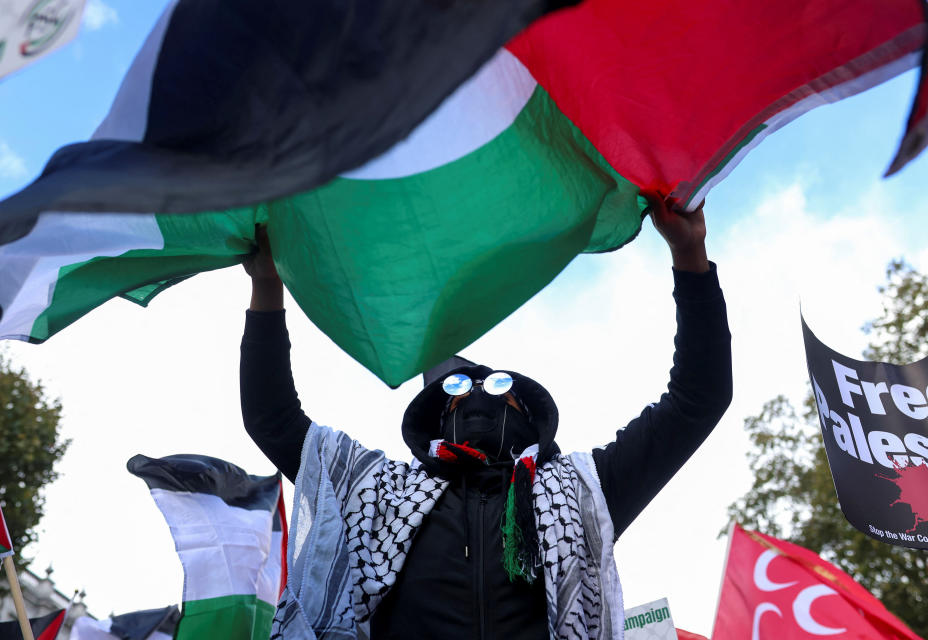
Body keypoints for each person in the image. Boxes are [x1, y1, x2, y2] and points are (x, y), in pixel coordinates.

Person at [240, 199, 732, 640]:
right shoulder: (376, 490)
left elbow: (697, 398)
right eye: (456, 390)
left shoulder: (584, 490)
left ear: (525, 411)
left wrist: (690, 255)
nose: (476, 395)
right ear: (437, 419)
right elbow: (272, 418)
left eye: (497, 387)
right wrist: (267, 286)